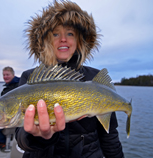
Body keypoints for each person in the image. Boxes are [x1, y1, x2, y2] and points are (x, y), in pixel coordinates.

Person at [15, 1, 124, 158]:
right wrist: (36, 137)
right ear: (45, 41)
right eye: (55, 34)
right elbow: (21, 138)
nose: (63, 39)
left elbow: (109, 135)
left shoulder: (95, 78)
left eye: (70, 33)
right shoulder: (30, 78)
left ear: (80, 41)